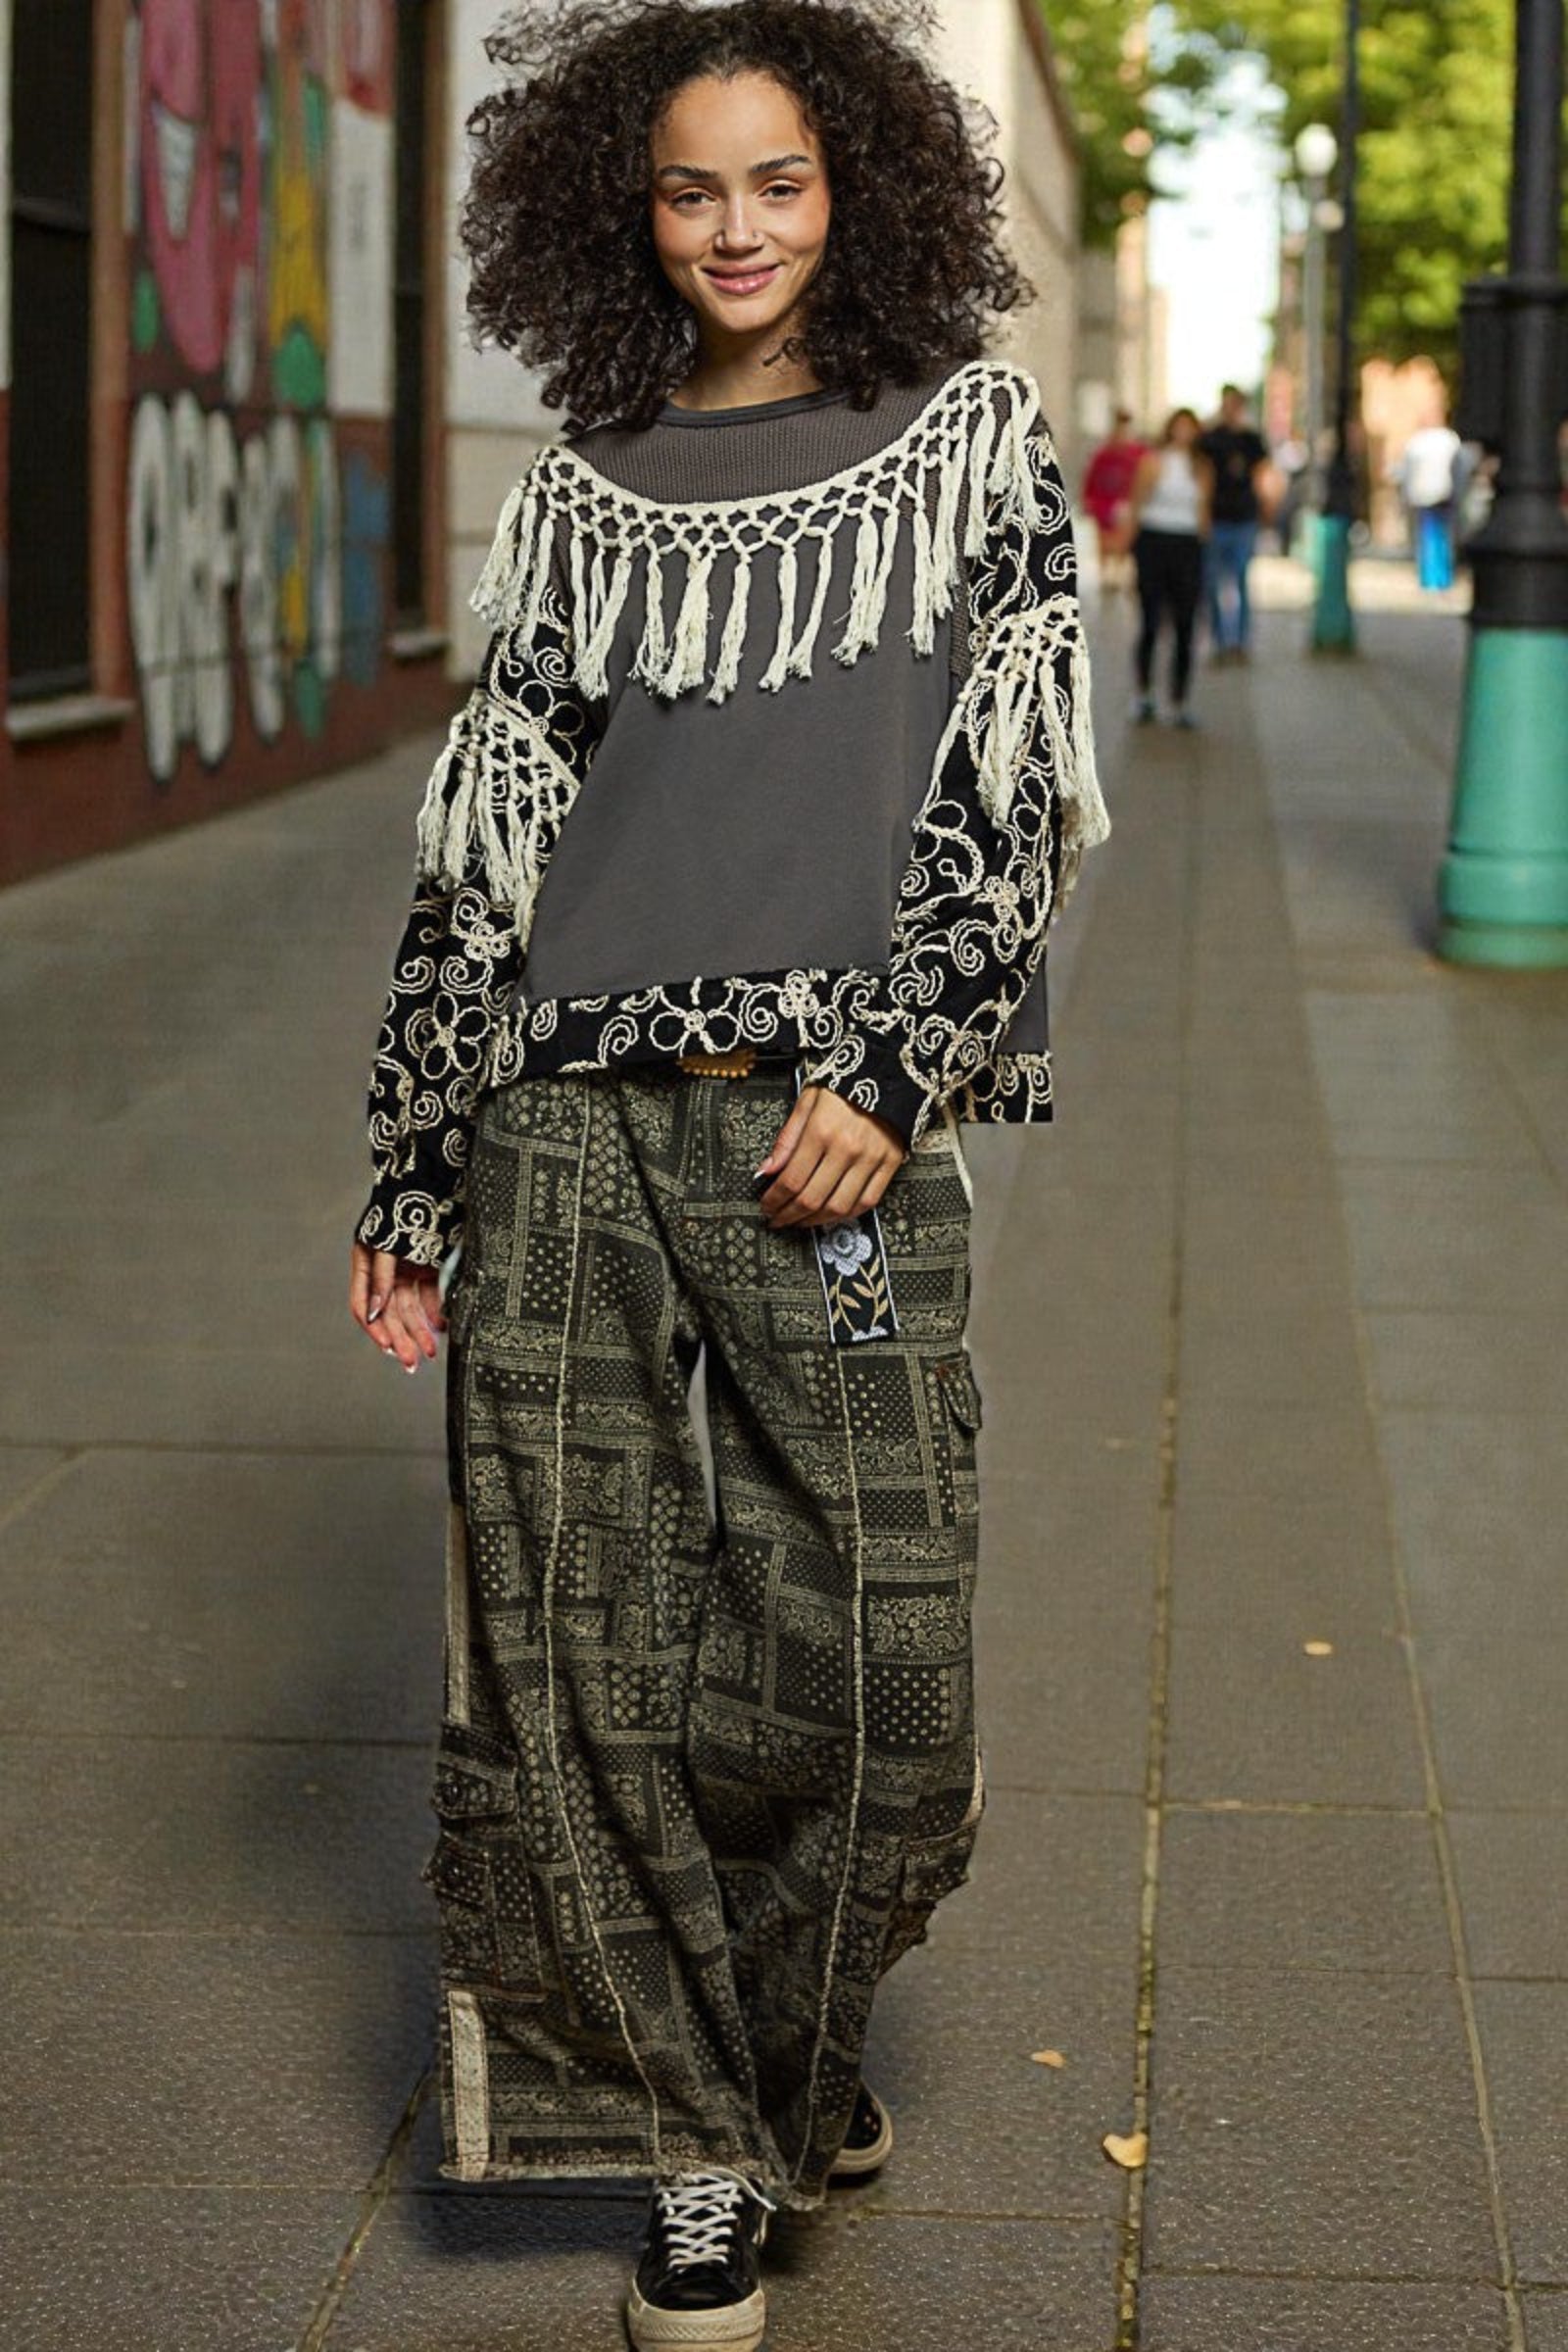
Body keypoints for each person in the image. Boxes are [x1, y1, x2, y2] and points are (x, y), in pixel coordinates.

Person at [346, 6, 1108, 2348]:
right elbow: (490, 843)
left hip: (834, 1133)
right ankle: (694, 2136)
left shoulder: (973, 439)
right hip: (564, 1115)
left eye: (777, 180)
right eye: (692, 190)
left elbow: (1007, 793)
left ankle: (791, 2042)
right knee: (573, 1648)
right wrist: (411, 1151)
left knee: (876, 1656)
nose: (740, 228)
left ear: (854, 182)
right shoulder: (588, 482)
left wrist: (897, 1055)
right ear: (627, 207)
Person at [1128, 407, 1211, 727]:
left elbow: (1204, 513)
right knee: (1150, 621)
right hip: (1154, 541)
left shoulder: (1201, 467)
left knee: (1185, 624)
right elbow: (1137, 504)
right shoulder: (1153, 462)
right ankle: (1143, 694)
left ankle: (1179, 699)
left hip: (1187, 544)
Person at [1199, 383, 1269, 659]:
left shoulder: (1251, 440)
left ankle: (1239, 641)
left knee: (1240, 580)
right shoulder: (1211, 438)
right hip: (1217, 518)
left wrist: (1265, 507)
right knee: (1213, 582)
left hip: (1243, 518)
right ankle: (1219, 640)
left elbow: (1262, 474)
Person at [1083, 408, 1148, 594]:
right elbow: (1091, 477)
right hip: (1103, 503)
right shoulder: (1103, 453)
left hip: (1126, 504)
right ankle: (1105, 576)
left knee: (1122, 541)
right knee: (1104, 542)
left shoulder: (1138, 453)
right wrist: (1089, 500)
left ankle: (1118, 574)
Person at [1396, 415, 1462, 591]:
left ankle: (1429, 577)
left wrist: (1405, 496)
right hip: (1444, 492)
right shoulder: (1449, 440)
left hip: (1422, 494)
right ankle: (1443, 577)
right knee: (1444, 535)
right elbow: (1458, 467)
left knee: (1427, 535)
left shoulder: (1416, 442)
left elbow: (1407, 471)